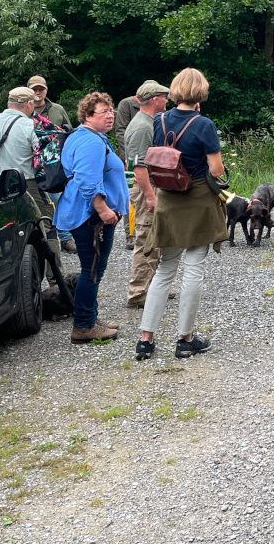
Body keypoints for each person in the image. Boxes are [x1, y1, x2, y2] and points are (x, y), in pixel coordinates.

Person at [136, 68, 228, 361]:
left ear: (175, 90)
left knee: (165, 268)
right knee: (194, 269)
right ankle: (185, 339)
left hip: (167, 199)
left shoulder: (159, 119)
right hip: (198, 199)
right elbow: (216, 170)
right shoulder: (204, 125)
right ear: (201, 93)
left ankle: (146, 340)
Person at [55, 92, 129, 343]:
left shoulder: (86, 136)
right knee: (92, 270)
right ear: (87, 116)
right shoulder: (91, 142)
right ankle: (84, 326)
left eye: (112, 112)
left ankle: (90, 318)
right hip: (89, 216)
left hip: (83, 214)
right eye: (103, 112)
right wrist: (103, 209)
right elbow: (87, 180)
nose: (110, 116)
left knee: (93, 269)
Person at [0, 87, 59, 259]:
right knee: (46, 226)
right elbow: (42, 158)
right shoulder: (30, 126)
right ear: (29, 104)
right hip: (27, 184)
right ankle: (55, 278)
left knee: (7, 228)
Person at [122, 80, 170, 308]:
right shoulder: (142, 126)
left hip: (147, 185)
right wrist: (150, 196)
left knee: (156, 236)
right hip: (145, 187)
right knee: (146, 238)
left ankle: (153, 286)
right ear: (154, 100)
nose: (167, 101)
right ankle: (138, 294)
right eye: (164, 97)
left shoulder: (147, 121)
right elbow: (138, 167)